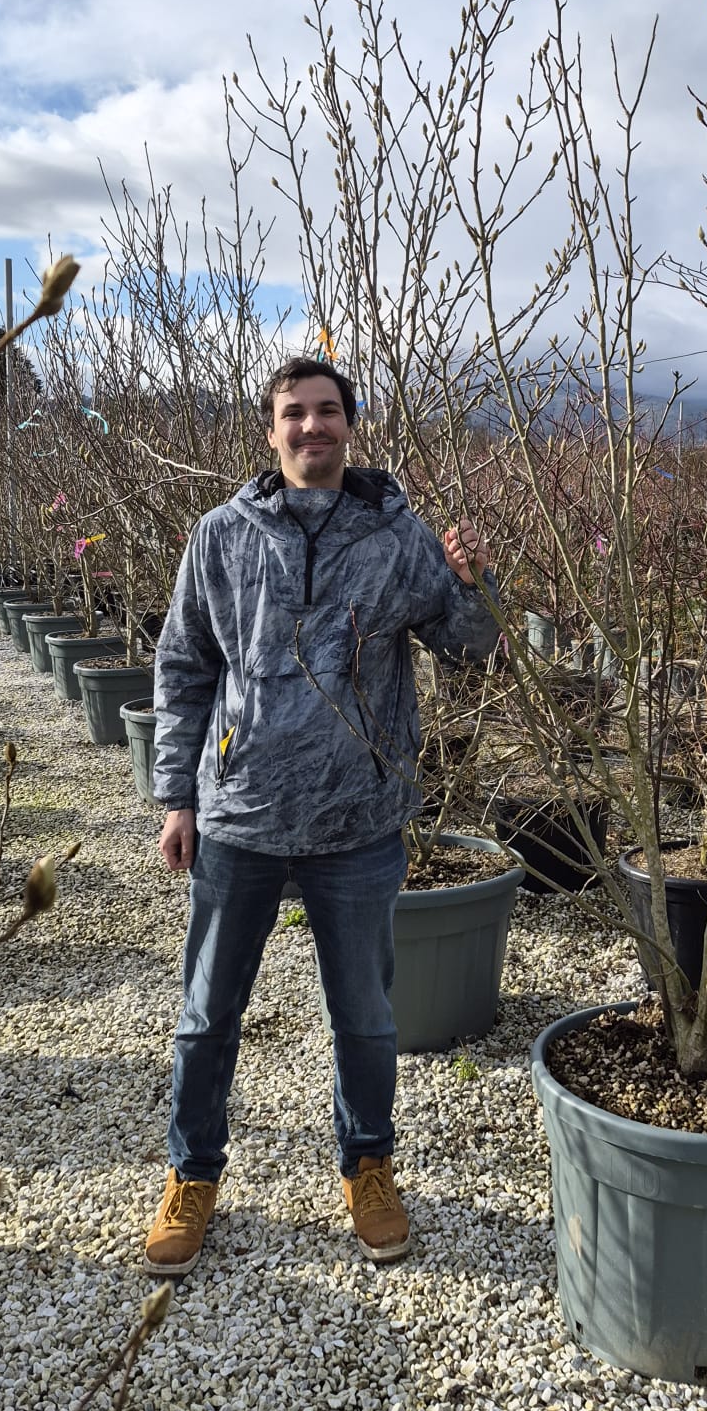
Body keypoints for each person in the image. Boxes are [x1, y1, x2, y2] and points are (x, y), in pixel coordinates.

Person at [144, 357, 498, 1275]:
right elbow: (183, 671)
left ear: (351, 424)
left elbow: (467, 651)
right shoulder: (221, 536)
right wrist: (177, 796)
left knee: (367, 1018)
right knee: (207, 1014)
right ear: (269, 431)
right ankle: (192, 1174)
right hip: (240, 817)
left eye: (328, 412)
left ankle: (368, 1165)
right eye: (294, 415)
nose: (312, 428)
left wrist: (471, 586)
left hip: (358, 822)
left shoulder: (395, 534)